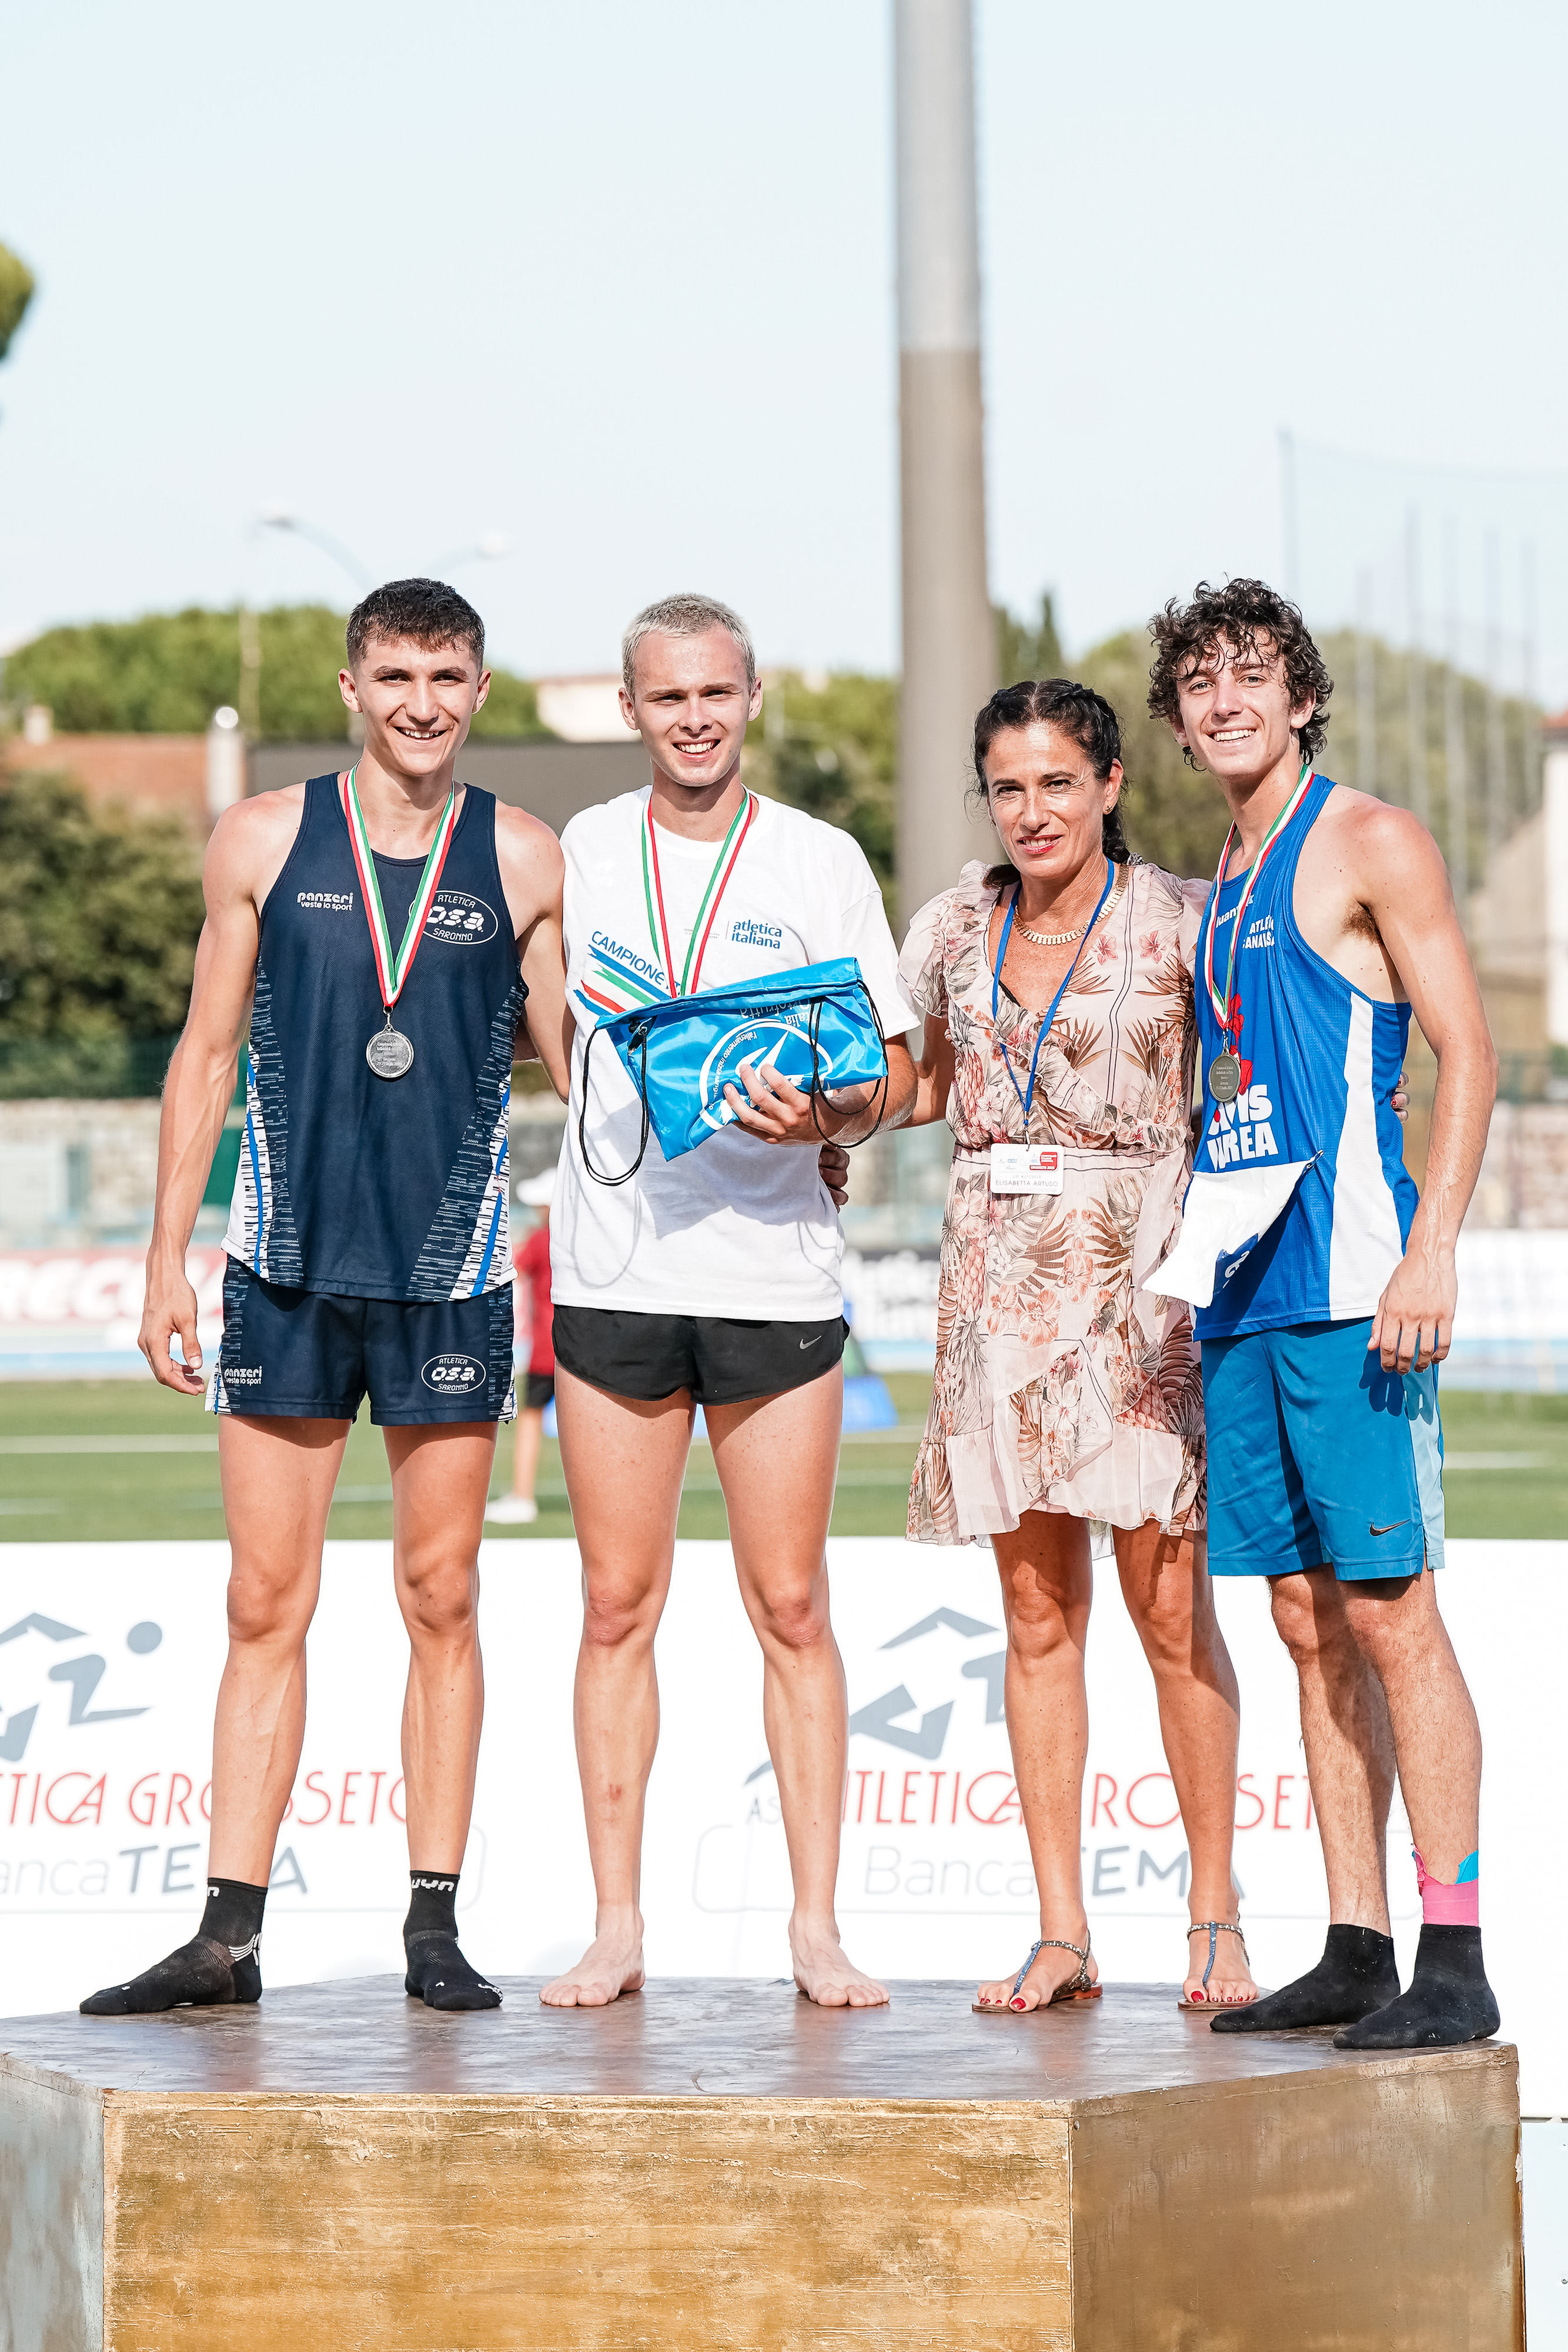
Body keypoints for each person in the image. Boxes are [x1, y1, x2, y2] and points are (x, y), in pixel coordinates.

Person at [82, 577, 569, 2018]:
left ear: (480, 691)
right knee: (262, 1599)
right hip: (283, 1268)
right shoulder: (261, 836)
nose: (422, 701)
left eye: (447, 676)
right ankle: (225, 1937)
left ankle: (434, 1921)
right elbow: (204, 1053)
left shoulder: (524, 855)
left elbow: (583, 1060)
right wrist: (165, 1258)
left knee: (442, 1593)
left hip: (449, 1275)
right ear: (352, 687)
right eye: (396, 675)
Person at [541, 591, 917, 2010]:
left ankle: (816, 1926)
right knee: (614, 1604)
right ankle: (615, 1924)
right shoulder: (580, 850)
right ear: (629, 708)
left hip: (773, 1275)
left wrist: (826, 1115)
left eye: (716, 692)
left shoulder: (819, 860)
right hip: (617, 1268)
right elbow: (537, 1015)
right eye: (667, 696)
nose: (693, 718)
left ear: (752, 696)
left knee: (793, 1603)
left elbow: (892, 1075)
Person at [1144, 577, 1499, 2050]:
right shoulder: (1221, 878)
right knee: (1301, 1618)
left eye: (1251, 674)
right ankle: (1355, 1941)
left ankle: (1455, 1955)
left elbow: (1467, 1050)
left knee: (1389, 1609)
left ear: (1300, 696)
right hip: (1245, 1290)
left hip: (1358, 1283)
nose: (1225, 699)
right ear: (1177, 723)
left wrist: (1432, 1246)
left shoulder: (1367, 839)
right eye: (1199, 683)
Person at [899, 677, 1259, 2014]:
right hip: (994, 1288)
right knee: (1036, 1617)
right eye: (1008, 786)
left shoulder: (1184, 921)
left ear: (1110, 783)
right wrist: (816, 1113)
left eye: (1058, 781)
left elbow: (1257, 1076)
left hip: (1143, 1288)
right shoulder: (952, 924)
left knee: (1171, 1612)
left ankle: (1216, 1920)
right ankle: (1062, 1932)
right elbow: (921, 1084)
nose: (1032, 809)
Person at [486, 1170, 556, 1526]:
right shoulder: (579, 1240)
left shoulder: (542, 1239)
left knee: (530, 1418)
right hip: (584, 1346)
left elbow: (508, 1267)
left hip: (547, 1349)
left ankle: (523, 1495)